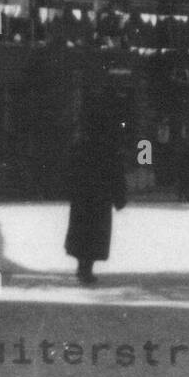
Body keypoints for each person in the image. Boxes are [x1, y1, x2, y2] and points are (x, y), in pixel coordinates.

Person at [64, 91, 127, 286]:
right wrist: (119, 197)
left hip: (83, 196)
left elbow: (70, 169)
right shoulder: (108, 147)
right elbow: (115, 172)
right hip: (100, 197)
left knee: (82, 230)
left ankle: (83, 265)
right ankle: (86, 267)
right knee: (95, 233)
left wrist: (69, 189)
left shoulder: (80, 144)